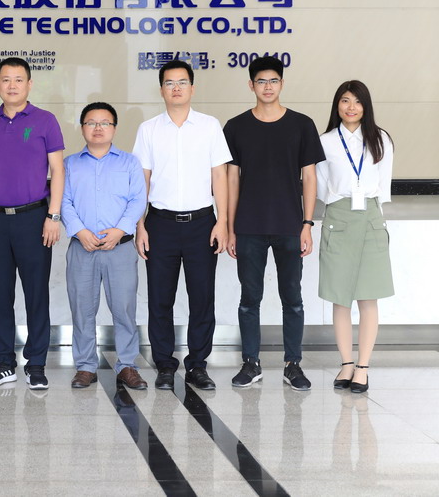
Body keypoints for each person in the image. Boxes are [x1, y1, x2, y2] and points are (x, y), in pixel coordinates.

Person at [224, 56, 325, 391]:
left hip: (289, 225)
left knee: (292, 298)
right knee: (249, 299)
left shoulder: (301, 124)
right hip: (249, 226)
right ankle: (250, 363)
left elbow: (309, 177)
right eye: (261, 81)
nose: (267, 87)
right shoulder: (236, 126)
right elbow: (232, 179)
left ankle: (292, 363)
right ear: (251, 85)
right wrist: (231, 227)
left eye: (273, 81)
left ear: (282, 84)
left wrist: (307, 223)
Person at [133, 60, 231, 391]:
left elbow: (220, 176)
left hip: (202, 223)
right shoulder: (148, 129)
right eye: (170, 83)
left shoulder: (209, 126)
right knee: (160, 299)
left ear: (192, 87)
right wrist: (140, 224)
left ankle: (198, 365)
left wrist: (223, 221)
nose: (176, 88)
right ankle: (164, 364)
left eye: (182, 82)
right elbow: (142, 180)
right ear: (161, 89)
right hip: (159, 224)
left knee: (202, 298)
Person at [0, 56, 65, 390]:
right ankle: (3, 363)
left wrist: (53, 215)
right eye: (5, 79)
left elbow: (58, 170)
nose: (11, 85)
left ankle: (36, 364)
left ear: (29, 84)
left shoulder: (45, 120)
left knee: (36, 294)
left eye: (18, 79)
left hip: (34, 219)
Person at [63, 102, 147, 389]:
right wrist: (80, 231)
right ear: (82, 128)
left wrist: (120, 230)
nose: (98, 128)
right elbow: (63, 201)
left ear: (114, 128)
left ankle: (127, 365)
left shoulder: (129, 163)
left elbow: (138, 200)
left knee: (124, 308)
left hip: (119, 247)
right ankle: (86, 366)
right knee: (82, 309)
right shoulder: (70, 164)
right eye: (91, 123)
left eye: (104, 123)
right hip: (82, 247)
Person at [317, 80, 394, 394]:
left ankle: (362, 366)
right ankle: (346, 363)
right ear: (337, 105)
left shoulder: (381, 139)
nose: (351, 107)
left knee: (368, 295)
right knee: (340, 296)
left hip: (371, 216)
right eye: (345, 100)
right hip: (338, 216)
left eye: (358, 101)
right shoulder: (324, 142)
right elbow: (321, 185)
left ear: (366, 106)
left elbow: (384, 183)